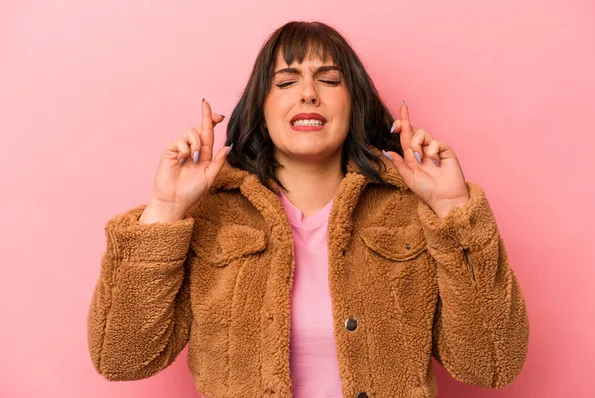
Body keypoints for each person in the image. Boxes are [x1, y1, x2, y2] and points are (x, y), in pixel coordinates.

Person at [87, 21, 529, 398]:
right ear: (260, 108)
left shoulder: (411, 211)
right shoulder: (210, 216)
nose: (309, 94)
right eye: (285, 82)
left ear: (354, 102)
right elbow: (121, 357)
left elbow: (493, 362)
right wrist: (165, 210)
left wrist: (454, 210)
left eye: (330, 80)